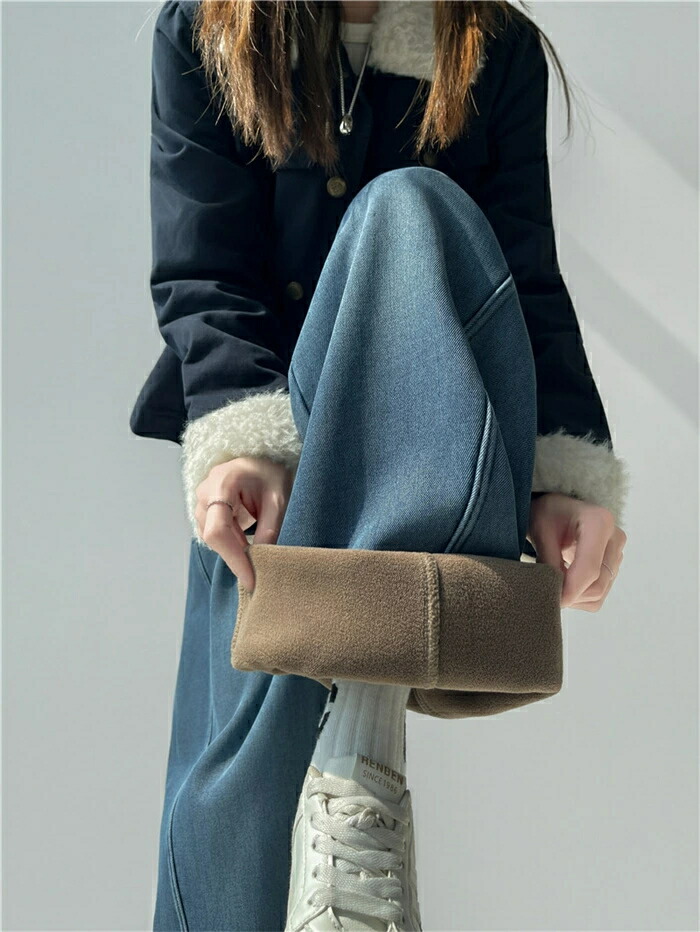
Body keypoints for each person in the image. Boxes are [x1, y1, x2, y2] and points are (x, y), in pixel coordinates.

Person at [129, 1, 630, 929]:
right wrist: (245, 445)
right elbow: (205, 273)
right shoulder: (207, 29)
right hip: (279, 461)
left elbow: (525, 273)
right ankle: (364, 740)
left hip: (446, 463)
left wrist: (568, 470)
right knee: (225, 807)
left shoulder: (494, 47)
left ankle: (359, 734)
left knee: (407, 208)